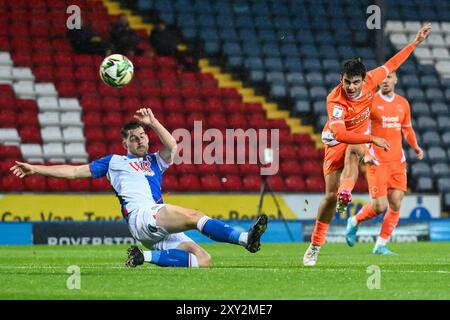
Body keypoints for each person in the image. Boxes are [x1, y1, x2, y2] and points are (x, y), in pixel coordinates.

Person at [10, 108, 268, 268]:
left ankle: (142, 257)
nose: (139, 139)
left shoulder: (154, 161)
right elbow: (74, 172)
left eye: (142, 135)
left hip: (152, 224)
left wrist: (153, 122)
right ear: (125, 143)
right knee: (194, 216)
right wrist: (35, 168)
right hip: (142, 215)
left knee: (203, 260)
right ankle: (246, 240)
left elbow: (172, 146)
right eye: (133, 138)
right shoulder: (114, 162)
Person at [303, 23, 431, 266]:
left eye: (355, 82)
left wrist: (415, 43)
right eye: (347, 82)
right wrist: (371, 139)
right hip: (336, 140)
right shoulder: (335, 99)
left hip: (356, 142)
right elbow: (340, 132)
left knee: (354, 154)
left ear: (364, 80)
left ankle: (346, 191)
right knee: (329, 197)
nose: (351, 87)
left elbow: (392, 64)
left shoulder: (372, 80)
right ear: (341, 79)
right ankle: (315, 244)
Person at [345, 72, 423, 254]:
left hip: (398, 161)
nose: (385, 81)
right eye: (382, 78)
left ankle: (381, 244)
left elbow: (407, 129)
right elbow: (362, 132)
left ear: (395, 80)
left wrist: (416, 146)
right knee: (380, 206)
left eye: (389, 78)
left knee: (396, 202)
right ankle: (354, 221)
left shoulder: (403, 103)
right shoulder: (370, 102)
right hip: (377, 161)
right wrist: (366, 153)